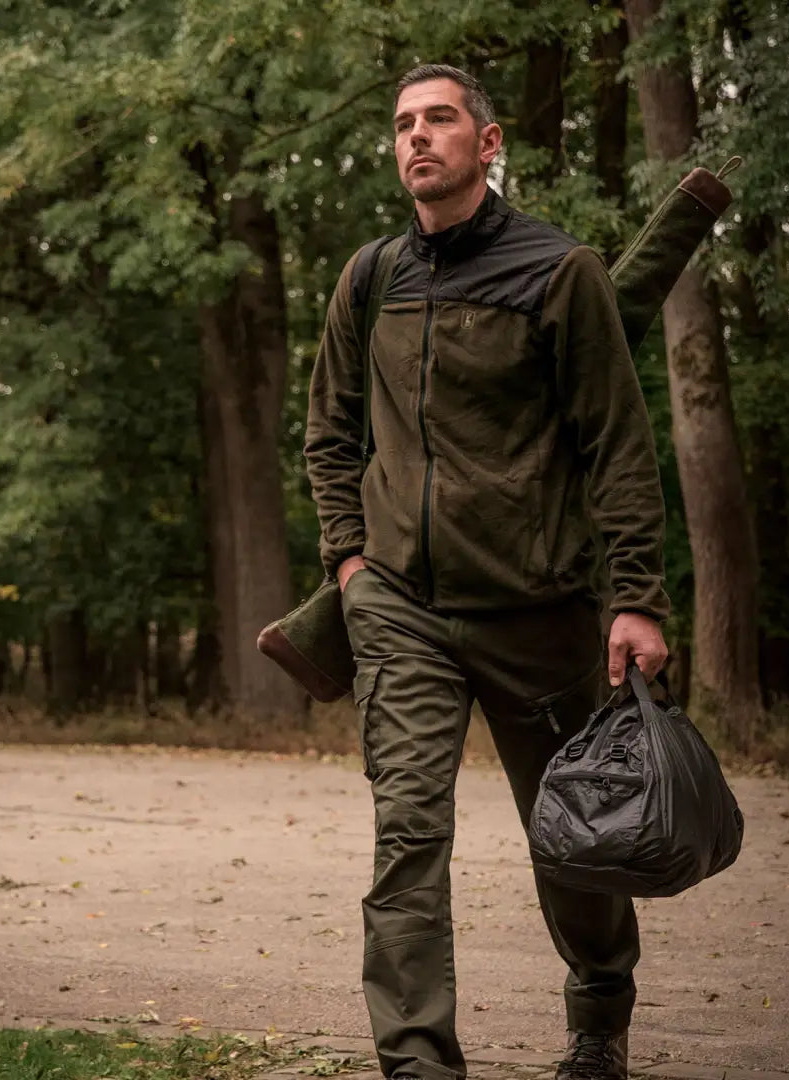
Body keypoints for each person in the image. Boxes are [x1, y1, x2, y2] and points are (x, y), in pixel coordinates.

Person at [303, 65, 670, 1080]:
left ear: (488, 140)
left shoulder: (561, 273)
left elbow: (618, 448)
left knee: (575, 842)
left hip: (538, 609)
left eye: (441, 121)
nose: (418, 138)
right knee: (407, 836)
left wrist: (636, 597)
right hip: (401, 613)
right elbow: (328, 438)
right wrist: (347, 560)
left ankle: (599, 1013)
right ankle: (419, 1061)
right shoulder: (371, 277)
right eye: (403, 125)